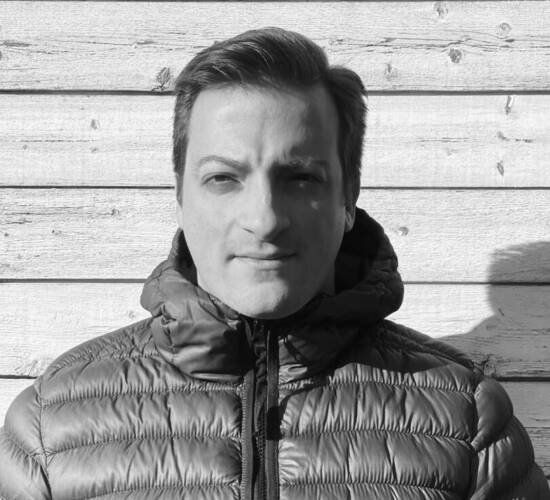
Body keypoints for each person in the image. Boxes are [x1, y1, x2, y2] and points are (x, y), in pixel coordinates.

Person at [0, 27, 548, 500]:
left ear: (348, 195)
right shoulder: (51, 428)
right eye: (223, 178)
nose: (263, 219)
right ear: (180, 194)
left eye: (300, 178)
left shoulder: (468, 423)